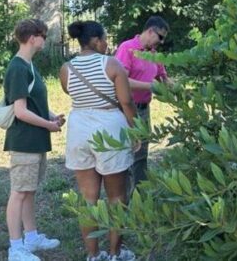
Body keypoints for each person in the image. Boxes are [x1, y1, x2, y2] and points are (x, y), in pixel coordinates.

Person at [60, 21, 138, 261]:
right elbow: (125, 102)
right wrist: (136, 131)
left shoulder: (66, 68)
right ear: (95, 40)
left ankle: (93, 255)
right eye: (104, 39)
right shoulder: (112, 64)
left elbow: (71, 94)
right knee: (117, 197)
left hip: (79, 128)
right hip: (110, 128)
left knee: (88, 199)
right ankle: (115, 254)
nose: (107, 43)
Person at [3, 19, 66, 261]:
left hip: (35, 140)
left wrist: (51, 117)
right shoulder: (18, 67)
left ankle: (31, 237)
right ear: (33, 38)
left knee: (29, 190)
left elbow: (34, 104)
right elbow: (20, 111)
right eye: (43, 35)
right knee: (19, 192)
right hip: (24, 142)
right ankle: (16, 247)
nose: (45, 40)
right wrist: (48, 125)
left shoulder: (29, 66)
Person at [114, 16, 172, 198]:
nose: (161, 42)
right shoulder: (127, 48)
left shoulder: (154, 54)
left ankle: (140, 198)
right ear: (149, 31)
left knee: (141, 155)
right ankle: (120, 198)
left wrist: (178, 88)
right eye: (160, 37)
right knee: (124, 153)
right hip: (124, 108)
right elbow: (121, 81)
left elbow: (163, 78)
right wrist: (150, 87)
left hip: (144, 109)